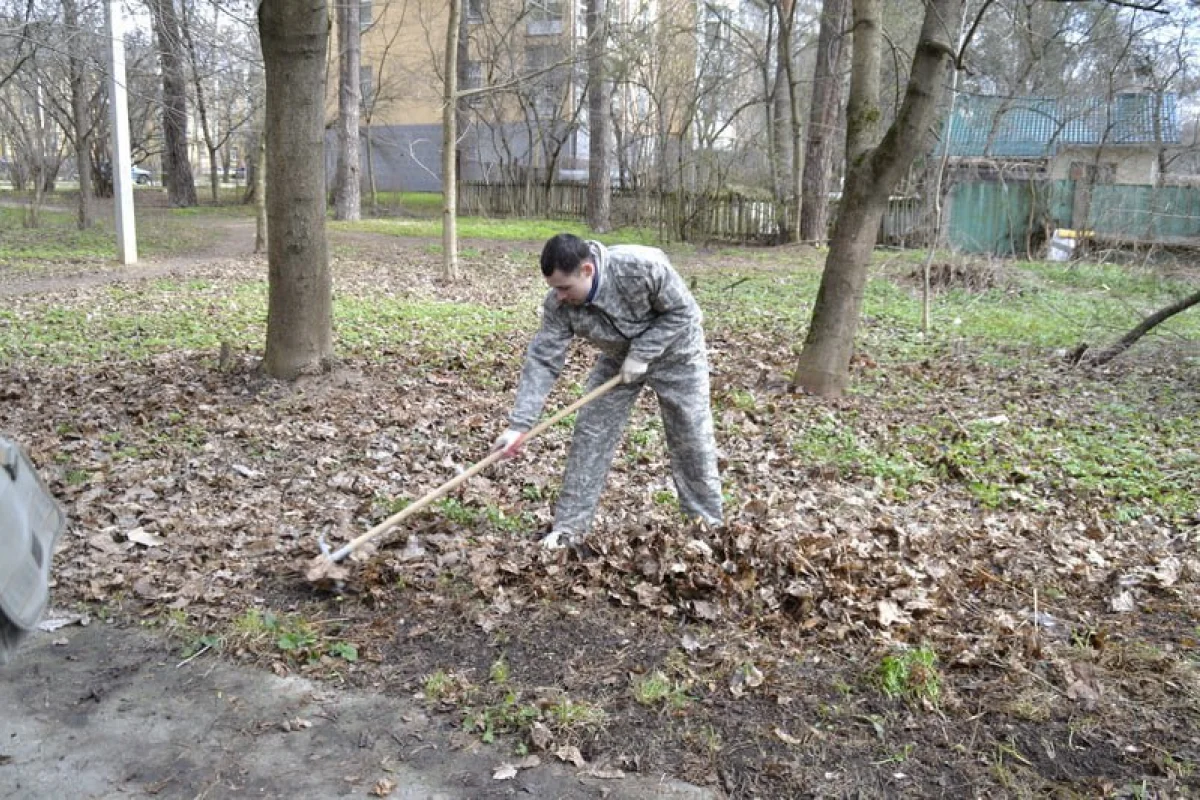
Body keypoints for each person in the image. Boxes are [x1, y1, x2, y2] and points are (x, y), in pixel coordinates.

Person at [493, 233, 723, 550]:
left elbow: (686, 312)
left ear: (587, 270)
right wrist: (519, 425)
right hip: (618, 359)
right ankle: (569, 529)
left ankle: (707, 528)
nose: (559, 296)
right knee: (591, 432)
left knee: (691, 437)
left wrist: (643, 353)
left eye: (565, 287)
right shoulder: (559, 304)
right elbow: (543, 360)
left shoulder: (640, 267)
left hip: (678, 354)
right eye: (554, 288)